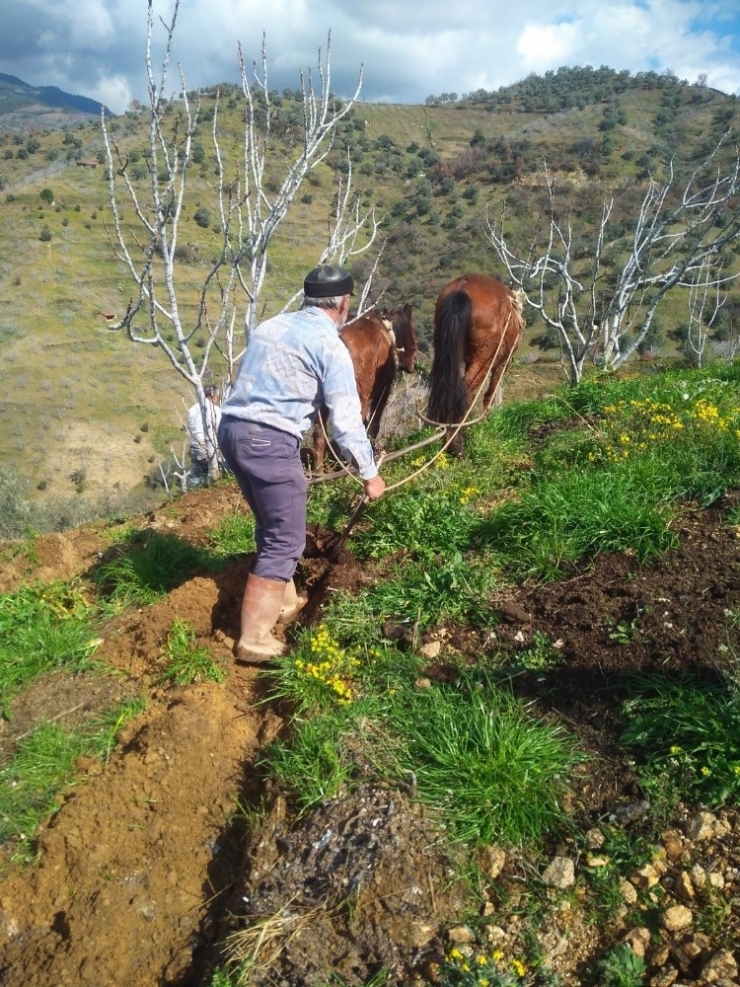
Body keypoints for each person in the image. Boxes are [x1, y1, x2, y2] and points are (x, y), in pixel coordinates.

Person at [218, 264, 385, 662]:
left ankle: (285, 602)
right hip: (270, 441)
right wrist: (369, 473)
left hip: (231, 431)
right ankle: (254, 640)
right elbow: (345, 420)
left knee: (272, 525)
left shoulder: (270, 326)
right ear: (344, 303)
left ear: (308, 297)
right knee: (287, 538)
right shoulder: (330, 346)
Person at [186, 384, 222, 484]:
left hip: (194, 448)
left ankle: (191, 494)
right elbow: (220, 430)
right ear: (214, 397)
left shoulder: (192, 409)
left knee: (196, 477)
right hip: (207, 449)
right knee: (215, 474)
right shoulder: (215, 410)